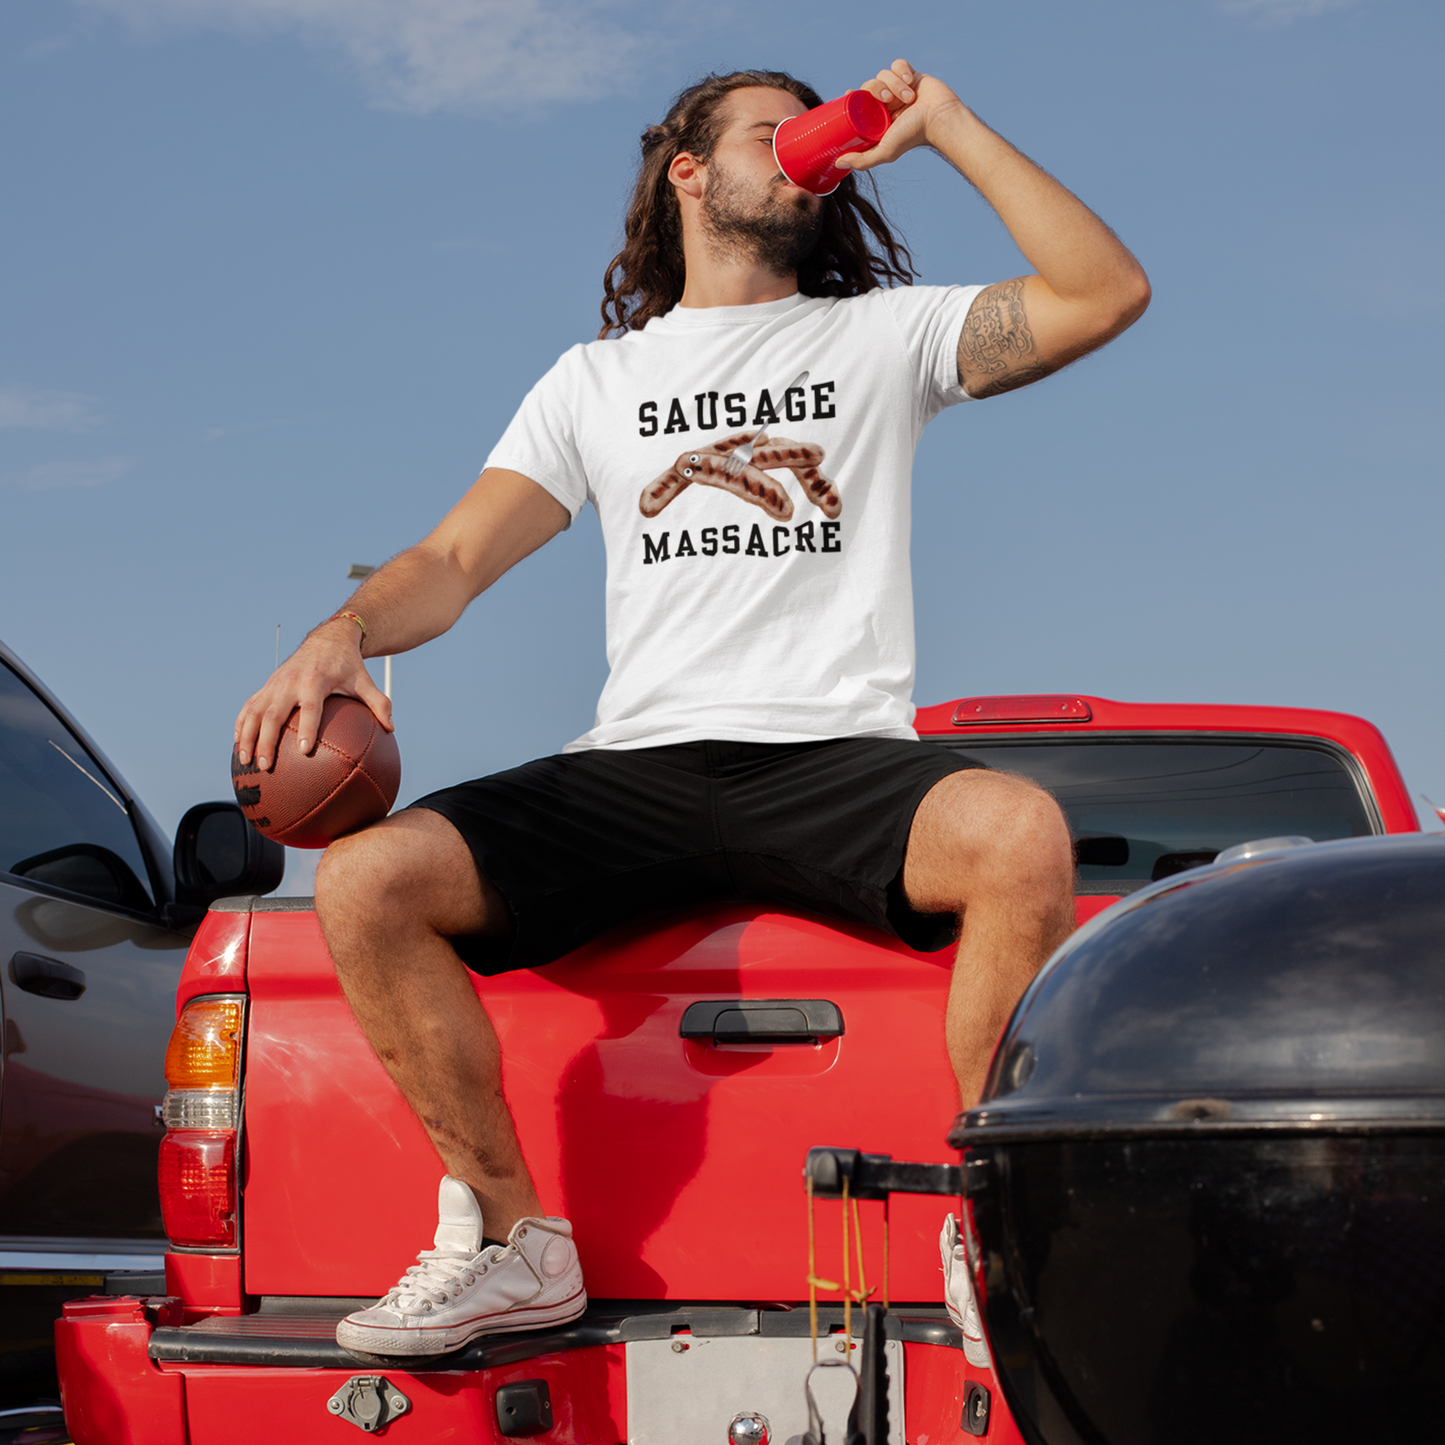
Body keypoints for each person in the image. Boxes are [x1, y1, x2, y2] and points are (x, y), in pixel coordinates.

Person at [234, 59, 1149, 1360]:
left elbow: (1103, 291)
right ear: (688, 172)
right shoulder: (597, 383)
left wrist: (943, 128)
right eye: (773, 137)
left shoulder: (878, 340)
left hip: (833, 759)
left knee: (1018, 834)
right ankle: (510, 1239)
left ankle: (989, 1228)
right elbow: (450, 562)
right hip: (644, 768)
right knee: (366, 884)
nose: (805, 157)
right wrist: (340, 636)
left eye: (816, 141)